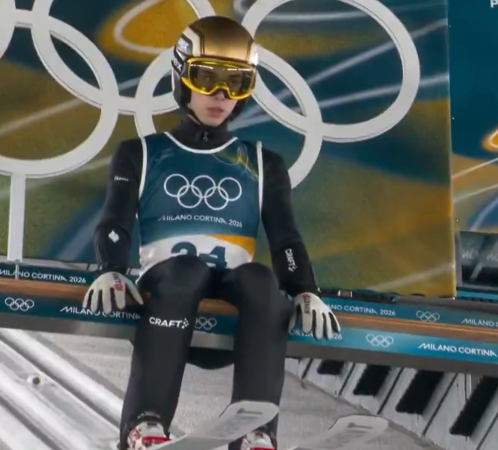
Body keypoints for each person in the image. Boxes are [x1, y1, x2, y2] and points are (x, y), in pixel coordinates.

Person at [82, 15, 341, 450]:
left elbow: (286, 240)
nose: (221, 95)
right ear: (183, 77)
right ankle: (143, 426)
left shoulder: (262, 162)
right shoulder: (141, 154)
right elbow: (114, 223)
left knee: (262, 280)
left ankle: (257, 432)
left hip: (233, 295)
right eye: (207, 78)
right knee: (184, 271)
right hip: (168, 291)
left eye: (236, 83)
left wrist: (305, 290)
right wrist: (110, 268)